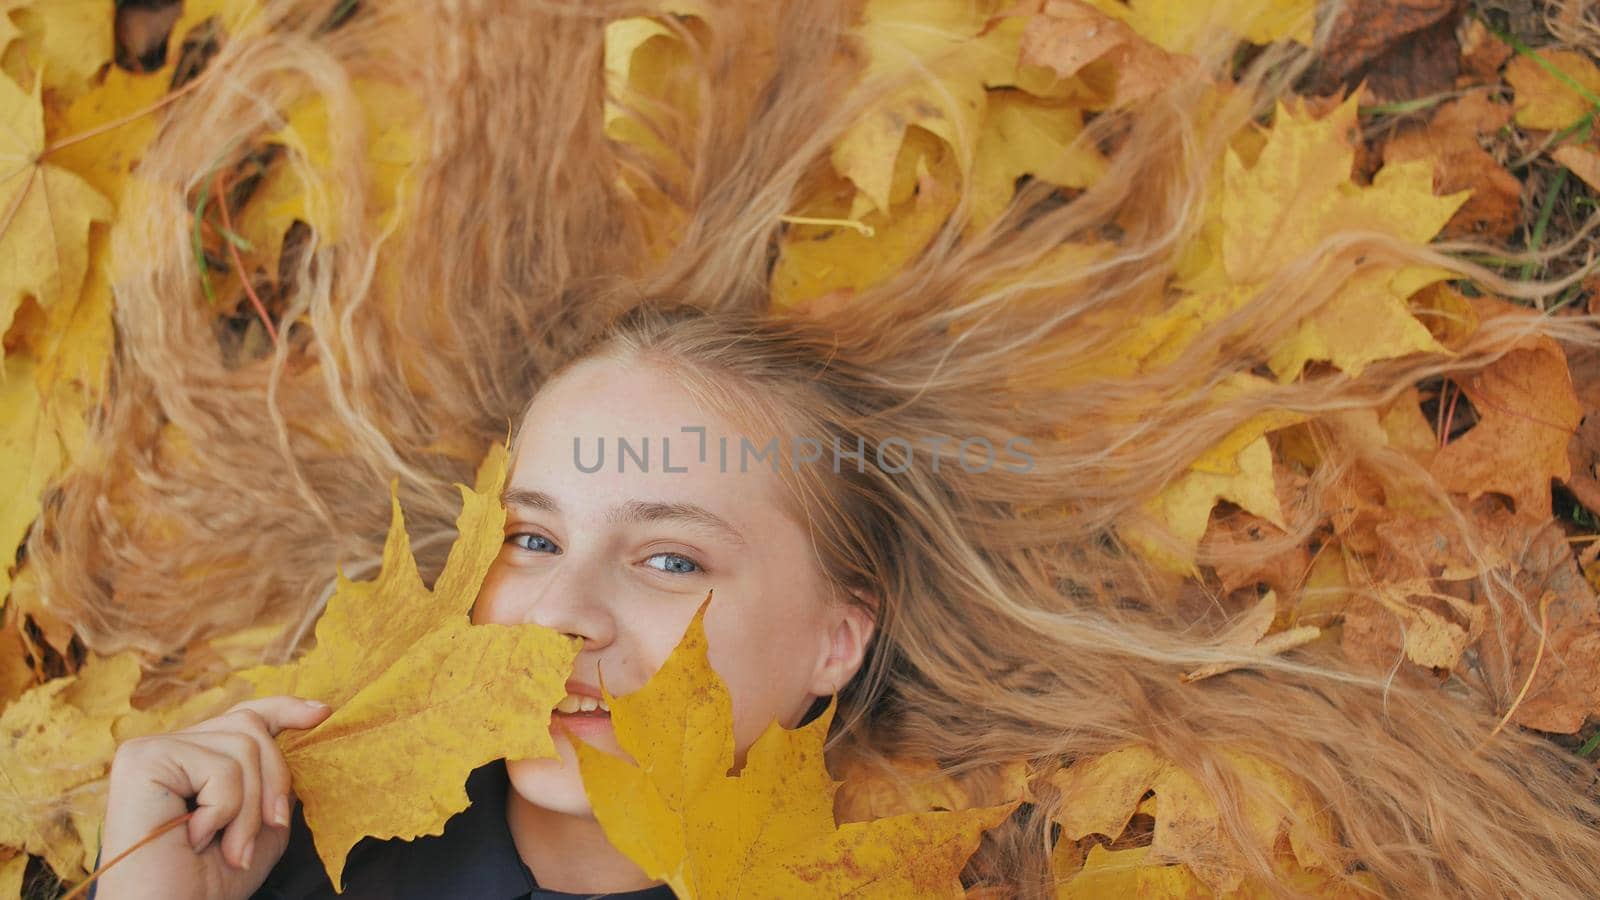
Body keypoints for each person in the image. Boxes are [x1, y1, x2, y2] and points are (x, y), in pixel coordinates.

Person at [44, 0, 1600, 897]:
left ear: (836, 641)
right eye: (529, 539)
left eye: (668, 556)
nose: (565, 614)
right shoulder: (292, 851)